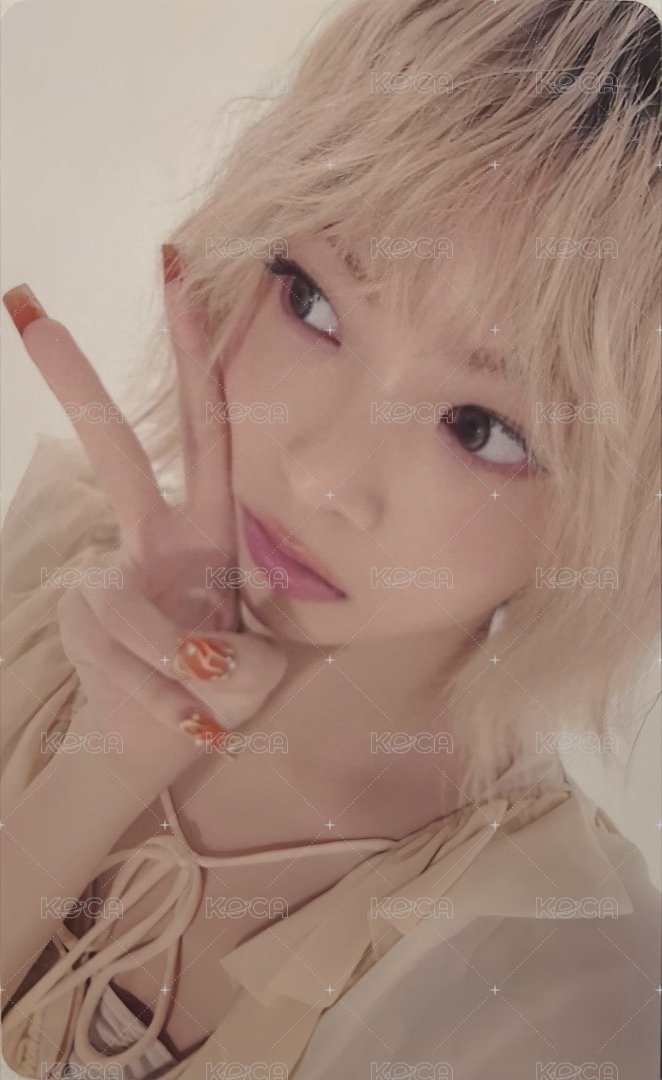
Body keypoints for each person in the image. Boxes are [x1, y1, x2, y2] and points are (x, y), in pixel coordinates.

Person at [2, 0, 660, 1077]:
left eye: (480, 428)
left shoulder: (562, 988)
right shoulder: (40, 576)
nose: (321, 476)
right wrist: (103, 764)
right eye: (312, 302)